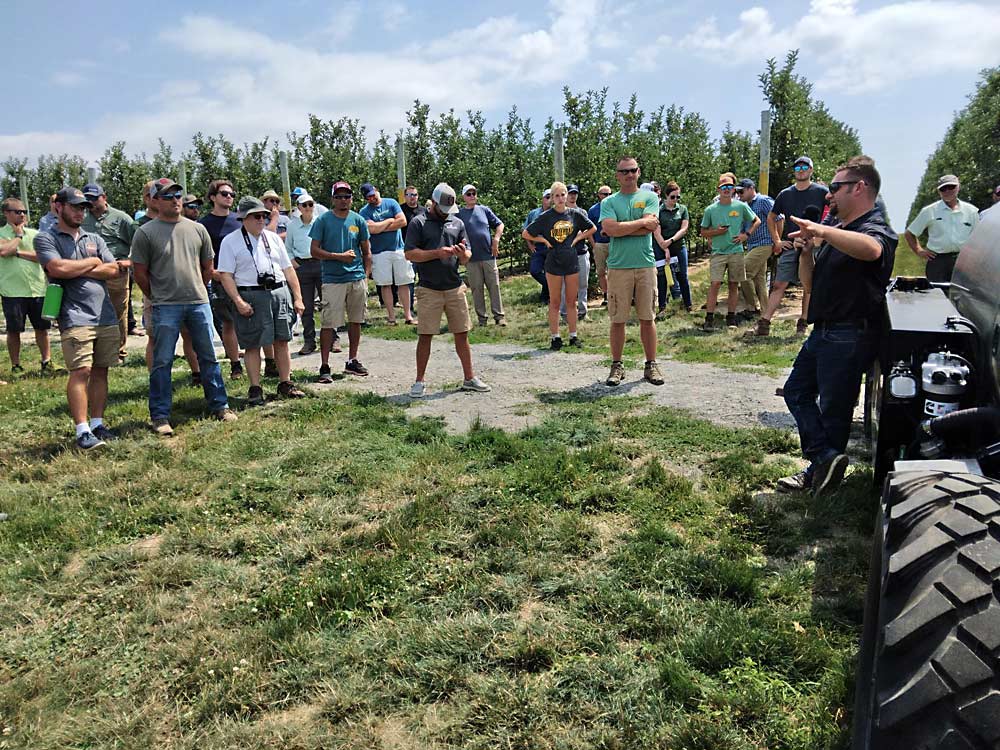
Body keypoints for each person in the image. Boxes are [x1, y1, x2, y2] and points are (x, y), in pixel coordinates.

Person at [777, 156, 897, 496]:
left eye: (835, 188)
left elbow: (873, 251)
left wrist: (822, 231)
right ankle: (825, 458)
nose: (829, 196)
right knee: (796, 391)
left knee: (834, 410)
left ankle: (822, 479)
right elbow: (809, 283)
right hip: (824, 329)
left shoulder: (875, 229)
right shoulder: (840, 231)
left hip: (850, 332)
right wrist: (805, 252)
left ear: (859, 188)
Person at [131, 178, 237, 436]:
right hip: (165, 305)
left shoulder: (197, 229)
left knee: (209, 358)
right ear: (155, 200)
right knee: (162, 360)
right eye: (168, 196)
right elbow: (140, 272)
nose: (176, 199)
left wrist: (197, 290)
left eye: (178, 194)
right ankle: (160, 415)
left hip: (198, 303)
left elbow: (207, 267)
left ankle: (220, 405)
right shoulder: (146, 232)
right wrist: (156, 296)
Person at [33, 187, 124, 450]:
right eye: (75, 207)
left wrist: (80, 268)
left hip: (104, 314)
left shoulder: (93, 237)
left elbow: (113, 269)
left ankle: (97, 424)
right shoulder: (46, 238)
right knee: (81, 370)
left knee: (100, 370)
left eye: (83, 207)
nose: (80, 212)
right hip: (74, 315)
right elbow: (56, 268)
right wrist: (93, 262)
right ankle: (82, 430)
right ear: (59, 207)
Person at [404, 182, 491, 398]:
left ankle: (469, 378)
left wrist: (462, 254)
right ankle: (419, 381)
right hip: (429, 288)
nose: (445, 214)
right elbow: (410, 254)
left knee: (462, 334)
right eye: (442, 209)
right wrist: (437, 253)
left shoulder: (457, 221)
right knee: (425, 335)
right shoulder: (418, 223)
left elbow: (467, 255)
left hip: (454, 287)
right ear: (433, 203)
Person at [218, 197, 306, 405]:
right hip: (250, 295)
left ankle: (286, 383)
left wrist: (298, 297)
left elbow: (288, 269)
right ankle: (255, 388)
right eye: (257, 216)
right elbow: (226, 275)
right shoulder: (231, 241)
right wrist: (238, 301)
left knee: (282, 340)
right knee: (252, 343)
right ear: (244, 218)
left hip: (278, 291)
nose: (261, 220)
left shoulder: (273, 238)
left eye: (264, 216)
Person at [599, 156, 664, 387]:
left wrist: (621, 228)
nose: (629, 174)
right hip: (618, 267)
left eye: (633, 170)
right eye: (624, 171)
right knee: (618, 319)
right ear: (617, 175)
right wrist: (640, 225)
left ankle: (651, 365)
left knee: (648, 317)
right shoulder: (609, 202)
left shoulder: (650, 197)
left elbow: (648, 225)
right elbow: (609, 229)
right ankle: (617, 365)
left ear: (638, 172)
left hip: (645, 265)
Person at [756, 156, 829, 337]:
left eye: (805, 167)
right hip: (791, 244)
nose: (801, 170)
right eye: (797, 168)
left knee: (808, 285)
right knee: (779, 283)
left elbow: (832, 214)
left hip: (814, 246)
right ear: (794, 171)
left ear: (811, 170)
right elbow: (772, 217)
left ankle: (803, 322)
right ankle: (764, 322)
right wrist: (777, 241)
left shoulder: (822, 192)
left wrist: (821, 236)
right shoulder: (785, 194)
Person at [309, 180, 371, 383]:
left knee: (356, 320)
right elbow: (314, 250)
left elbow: (366, 251)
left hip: (356, 278)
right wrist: (338, 256)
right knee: (329, 323)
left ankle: (352, 360)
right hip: (333, 279)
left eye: (347, 196)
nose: (343, 200)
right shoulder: (323, 220)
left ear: (352, 198)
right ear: (333, 199)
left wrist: (366, 276)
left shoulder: (358, 220)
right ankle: (325, 365)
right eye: (339, 196)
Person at [523, 181, 596, 349]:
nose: (561, 198)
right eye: (557, 195)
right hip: (553, 261)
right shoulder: (546, 216)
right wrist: (543, 240)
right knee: (555, 301)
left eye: (563, 194)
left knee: (571, 301)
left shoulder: (575, 214)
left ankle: (573, 335)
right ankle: (555, 337)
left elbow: (592, 228)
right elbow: (526, 233)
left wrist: (578, 238)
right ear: (552, 199)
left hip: (571, 260)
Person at [200, 179, 250, 378]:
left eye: (231, 194)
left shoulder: (240, 220)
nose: (229, 197)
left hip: (245, 278)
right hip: (220, 280)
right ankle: (235, 364)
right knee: (228, 323)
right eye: (224, 194)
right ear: (212, 197)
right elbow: (201, 256)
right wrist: (213, 274)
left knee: (251, 320)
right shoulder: (203, 225)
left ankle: (267, 362)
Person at [82, 182, 136, 363]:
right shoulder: (82, 218)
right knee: (91, 309)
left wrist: (130, 261)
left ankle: (118, 353)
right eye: (87, 199)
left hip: (116, 271)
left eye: (94, 198)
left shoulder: (121, 218)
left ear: (104, 197)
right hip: (90, 272)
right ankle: (95, 350)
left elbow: (139, 242)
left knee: (117, 312)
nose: (91, 202)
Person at [700, 173, 760, 330]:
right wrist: (717, 232)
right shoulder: (710, 210)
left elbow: (756, 221)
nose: (726, 190)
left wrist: (745, 235)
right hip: (718, 252)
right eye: (723, 187)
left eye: (729, 187)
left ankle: (731, 317)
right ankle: (709, 318)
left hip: (736, 251)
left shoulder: (740, 206)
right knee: (715, 284)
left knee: (734, 285)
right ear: (718, 189)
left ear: (734, 189)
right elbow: (703, 232)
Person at [1, 198, 52, 374]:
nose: (22, 214)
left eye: (24, 211)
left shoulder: (36, 234)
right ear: (6, 213)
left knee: (42, 328)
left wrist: (17, 252)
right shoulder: (1, 234)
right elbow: (4, 251)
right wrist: (18, 236)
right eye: (17, 211)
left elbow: (42, 256)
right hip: (13, 291)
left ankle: (47, 361)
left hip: (37, 288)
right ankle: (16, 365)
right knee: (14, 330)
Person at [905, 174, 979, 283]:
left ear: (958, 187)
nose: (947, 191)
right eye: (943, 188)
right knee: (938, 297)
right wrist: (919, 251)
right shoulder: (929, 211)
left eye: (951, 187)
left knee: (962, 296)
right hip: (937, 262)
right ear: (939, 191)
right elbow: (910, 233)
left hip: (963, 261)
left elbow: (979, 237)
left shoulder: (971, 211)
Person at [359, 182, 415, 326]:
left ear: (377, 190)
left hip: (398, 249)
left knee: (404, 282)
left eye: (373, 195)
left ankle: (408, 316)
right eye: (369, 197)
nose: (372, 198)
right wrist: (390, 220)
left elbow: (402, 221)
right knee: (385, 284)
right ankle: (391, 317)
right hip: (379, 252)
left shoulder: (391, 202)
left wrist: (380, 226)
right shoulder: (364, 212)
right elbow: (371, 229)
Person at [458, 184, 506, 326]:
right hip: (471, 258)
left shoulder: (484, 210)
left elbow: (499, 224)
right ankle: (482, 319)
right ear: (463, 197)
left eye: (474, 193)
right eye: (469, 194)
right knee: (476, 288)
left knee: (494, 286)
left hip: (488, 256)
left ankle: (499, 316)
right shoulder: (459, 214)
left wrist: (496, 239)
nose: (472, 196)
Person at [285, 191, 324, 355]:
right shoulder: (292, 225)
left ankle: (332, 338)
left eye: (311, 204)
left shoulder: (320, 222)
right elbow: (288, 248)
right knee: (306, 306)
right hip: (303, 266)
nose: (308, 208)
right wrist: (293, 263)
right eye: (304, 205)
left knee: (328, 303)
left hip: (321, 263)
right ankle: (309, 341)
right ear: (299, 208)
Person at [735, 178, 776, 320]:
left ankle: (753, 307)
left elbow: (780, 218)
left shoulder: (764, 201)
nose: (739, 194)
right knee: (759, 280)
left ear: (751, 188)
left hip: (765, 243)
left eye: (741, 191)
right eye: (738, 192)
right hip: (753, 245)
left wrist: (777, 241)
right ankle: (765, 313)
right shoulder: (746, 205)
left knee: (743, 271)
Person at [653, 181, 691, 313]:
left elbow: (684, 228)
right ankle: (662, 307)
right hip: (662, 247)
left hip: (678, 246)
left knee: (682, 276)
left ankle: (688, 305)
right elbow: (656, 231)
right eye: (673, 197)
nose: (675, 200)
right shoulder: (658, 211)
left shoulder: (682, 209)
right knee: (662, 277)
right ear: (666, 196)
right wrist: (665, 247)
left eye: (678, 197)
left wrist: (671, 240)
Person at [560, 183, 592, 321]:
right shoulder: (560, 213)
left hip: (581, 252)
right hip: (565, 254)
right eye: (570, 193)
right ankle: (565, 313)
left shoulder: (582, 212)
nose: (573, 196)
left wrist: (580, 236)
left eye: (575, 193)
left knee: (583, 283)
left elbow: (590, 229)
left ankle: (582, 312)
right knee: (564, 285)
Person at [523, 188, 553, 302]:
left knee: (550, 272)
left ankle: (545, 297)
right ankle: (551, 288)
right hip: (538, 247)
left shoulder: (555, 213)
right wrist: (530, 245)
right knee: (535, 271)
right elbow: (525, 231)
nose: (549, 200)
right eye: (547, 197)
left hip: (552, 247)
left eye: (551, 197)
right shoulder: (534, 213)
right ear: (542, 199)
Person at [588, 185, 613, 304]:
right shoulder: (593, 210)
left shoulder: (615, 207)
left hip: (614, 243)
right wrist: (594, 244)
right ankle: (606, 295)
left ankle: (616, 294)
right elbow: (588, 229)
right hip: (599, 244)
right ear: (599, 195)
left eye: (609, 194)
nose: (607, 196)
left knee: (616, 271)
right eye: (604, 194)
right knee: (601, 271)